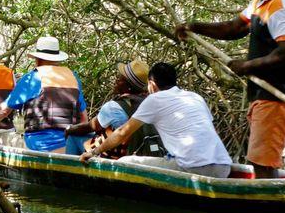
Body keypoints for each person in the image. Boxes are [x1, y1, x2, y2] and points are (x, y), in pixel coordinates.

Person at [175, 0, 285, 178]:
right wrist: (195, 26)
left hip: (279, 94)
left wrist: (246, 66)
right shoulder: (262, 2)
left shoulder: (281, 6)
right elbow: (234, 28)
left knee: (263, 163)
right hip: (266, 94)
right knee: (262, 159)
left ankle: (269, 210)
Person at [81, 63, 233, 178]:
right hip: (224, 166)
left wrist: (94, 152)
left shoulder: (154, 99)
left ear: (152, 85)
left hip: (194, 168)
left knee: (126, 162)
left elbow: (122, 133)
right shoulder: (195, 97)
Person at [0, 36, 88, 152]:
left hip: (38, 147)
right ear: (57, 59)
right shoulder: (73, 78)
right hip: (69, 147)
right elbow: (84, 119)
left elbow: (3, 111)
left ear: (38, 59)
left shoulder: (32, 78)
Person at [64, 59, 160, 157]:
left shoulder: (114, 107)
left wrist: (69, 129)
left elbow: (91, 126)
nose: (117, 80)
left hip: (118, 157)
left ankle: (66, 171)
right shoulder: (152, 104)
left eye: (120, 78)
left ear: (126, 85)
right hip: (145, 152)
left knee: (73, 136)